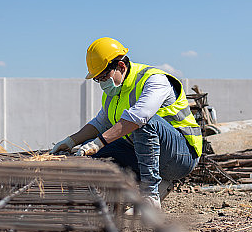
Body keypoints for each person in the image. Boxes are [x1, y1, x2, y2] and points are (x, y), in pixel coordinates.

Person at [51, 37, 202, 208]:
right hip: (146, 155)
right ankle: (142, 190)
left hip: (180, 157)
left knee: (144, 122)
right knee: (92, 152)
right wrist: (71, 141)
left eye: (104, 77)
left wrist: (98, 142)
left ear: (121, 66)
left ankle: (150, 196)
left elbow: (139, 117)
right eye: (98, 79)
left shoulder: (154, 80)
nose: (102, 83)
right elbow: (101, 123)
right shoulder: (113, 94)